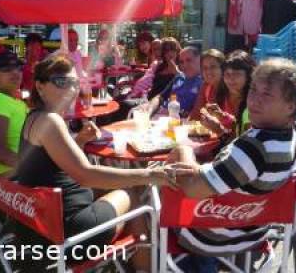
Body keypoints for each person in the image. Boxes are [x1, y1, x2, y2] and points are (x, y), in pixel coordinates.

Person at [13, 54, 177, 270]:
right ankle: (144, 268)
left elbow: (57, 164)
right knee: (133, 194)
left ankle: (132, 261)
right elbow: (85, 173)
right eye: (61, 82)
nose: (71, 90)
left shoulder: (35, 117)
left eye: (74, 83)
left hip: (41, 226)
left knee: (117, 185)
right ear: (40, 87)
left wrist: (79, 140)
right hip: (68, 235)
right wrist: (151, 175)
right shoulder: (50, 121)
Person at [166, 58, 296, 258]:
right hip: (254, 234)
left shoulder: (255, 148)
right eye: (253, 90)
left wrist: (184, 150)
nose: (254, 100)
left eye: (266, 94)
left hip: (210, 238)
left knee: (140, 196)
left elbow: (192, 188)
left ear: (290, 107)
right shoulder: (290, 139)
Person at [0, 51, 28, 176]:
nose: (15, 73)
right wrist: (33, 166)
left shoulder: (12, 99)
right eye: (7, 69)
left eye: (18, 68)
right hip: (11, 177)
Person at [200, 50, 256, 140]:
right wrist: (222, 116)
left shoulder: (254, 105)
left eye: (236, 74)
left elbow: (244, 146)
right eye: (227, 74)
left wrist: (220, 131)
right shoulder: (222, 94)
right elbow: (237, 126)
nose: (231, 79)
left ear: (249, 75)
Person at [147, 46, 202, 117]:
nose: (185, 65)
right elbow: (159, 97)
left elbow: (196, 113)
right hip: (160, 116)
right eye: (182, 62)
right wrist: (149, 111)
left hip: (179, 121)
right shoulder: (179, 77)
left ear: (199, 59)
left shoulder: (203, 82)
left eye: (189, 60)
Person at [189, 49, 225, 121]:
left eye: (213, 67)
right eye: (205, 68)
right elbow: (196, 112)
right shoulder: (206, 86)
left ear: (222, 68)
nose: (208, 71)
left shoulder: (230, 88)